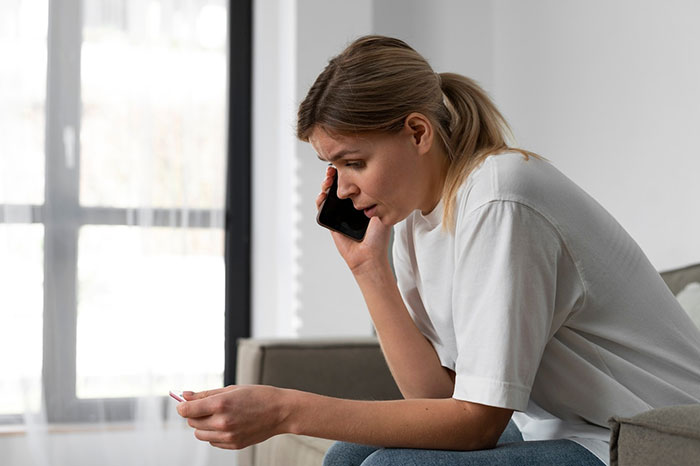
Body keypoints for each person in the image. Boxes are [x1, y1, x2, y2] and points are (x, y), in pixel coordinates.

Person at [177, 35, 700, 466]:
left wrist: (286, 409)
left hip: (648, 438)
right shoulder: (411, 216)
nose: (341, 189)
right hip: (561, 430)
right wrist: (369, 270)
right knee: (347, 456)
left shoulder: (500, 198)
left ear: (418, 132)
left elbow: (476, 423)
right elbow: (434, 399)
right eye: (332, 167)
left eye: (354, 162)